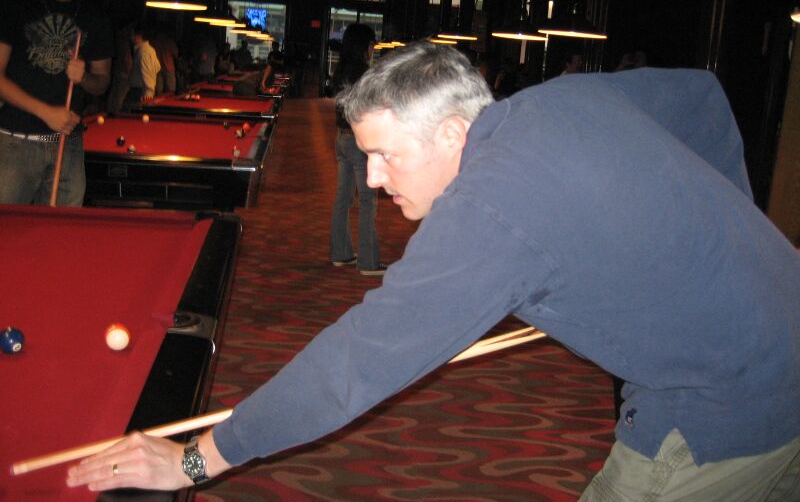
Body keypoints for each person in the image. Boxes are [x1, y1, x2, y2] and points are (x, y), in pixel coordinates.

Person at [67, 43, 800, 500]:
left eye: (386, 155)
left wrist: (195, 463)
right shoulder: (559, 100)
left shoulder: (490, 208)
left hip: (721, 402)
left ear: (453, 132)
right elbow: (701, 99)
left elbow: (360, 359)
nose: (374, 179)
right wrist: (726, 259)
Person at [0, 0, 112, 206]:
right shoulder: (16, 7)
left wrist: (84, 77)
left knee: (61, 229)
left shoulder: (95, 18)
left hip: (68, 145)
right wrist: (46, 112)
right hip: (15, 144)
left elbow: (102, 83)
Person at [328, 23, 385, 276]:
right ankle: (368, 262)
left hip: (341, 138)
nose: (373, 49)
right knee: (368, 201)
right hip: (359, 142)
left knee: (343, 199)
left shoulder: (341, 71)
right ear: (363, 46)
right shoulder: (364, 73)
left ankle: (340, 253)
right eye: (371, 44)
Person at [125, 23, 160, 107]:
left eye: (132, 35)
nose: (131, 37)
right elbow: (157, 67)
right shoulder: (148, 50)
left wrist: (148, 95)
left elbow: (148, 74)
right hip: (139, 90)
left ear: (138, 36)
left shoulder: (144, 52)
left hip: (140, 92)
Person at [152, 30, 179, 95]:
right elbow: (176, 53)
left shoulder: (154, 42)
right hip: (168, 67)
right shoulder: (169, 42)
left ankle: (161, 101)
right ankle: (169, 101)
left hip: (157, 68)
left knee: (159, 90)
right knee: (170, 90)